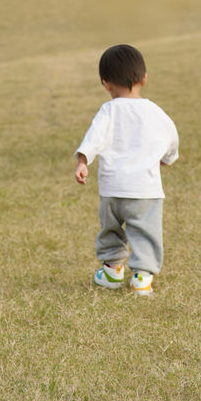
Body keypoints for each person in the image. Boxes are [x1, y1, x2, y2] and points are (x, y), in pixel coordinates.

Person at [74, 44, 179, 296]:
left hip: (112, 189)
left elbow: (93, 139)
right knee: (145, 230)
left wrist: (82, 161)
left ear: (105, 83)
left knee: (110, 229)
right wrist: (168, 158)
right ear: (144, 78)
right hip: (145, 189)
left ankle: (111, 272)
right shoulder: (155, 112)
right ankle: (142, 277)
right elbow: (171, 138)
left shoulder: (108, 110)